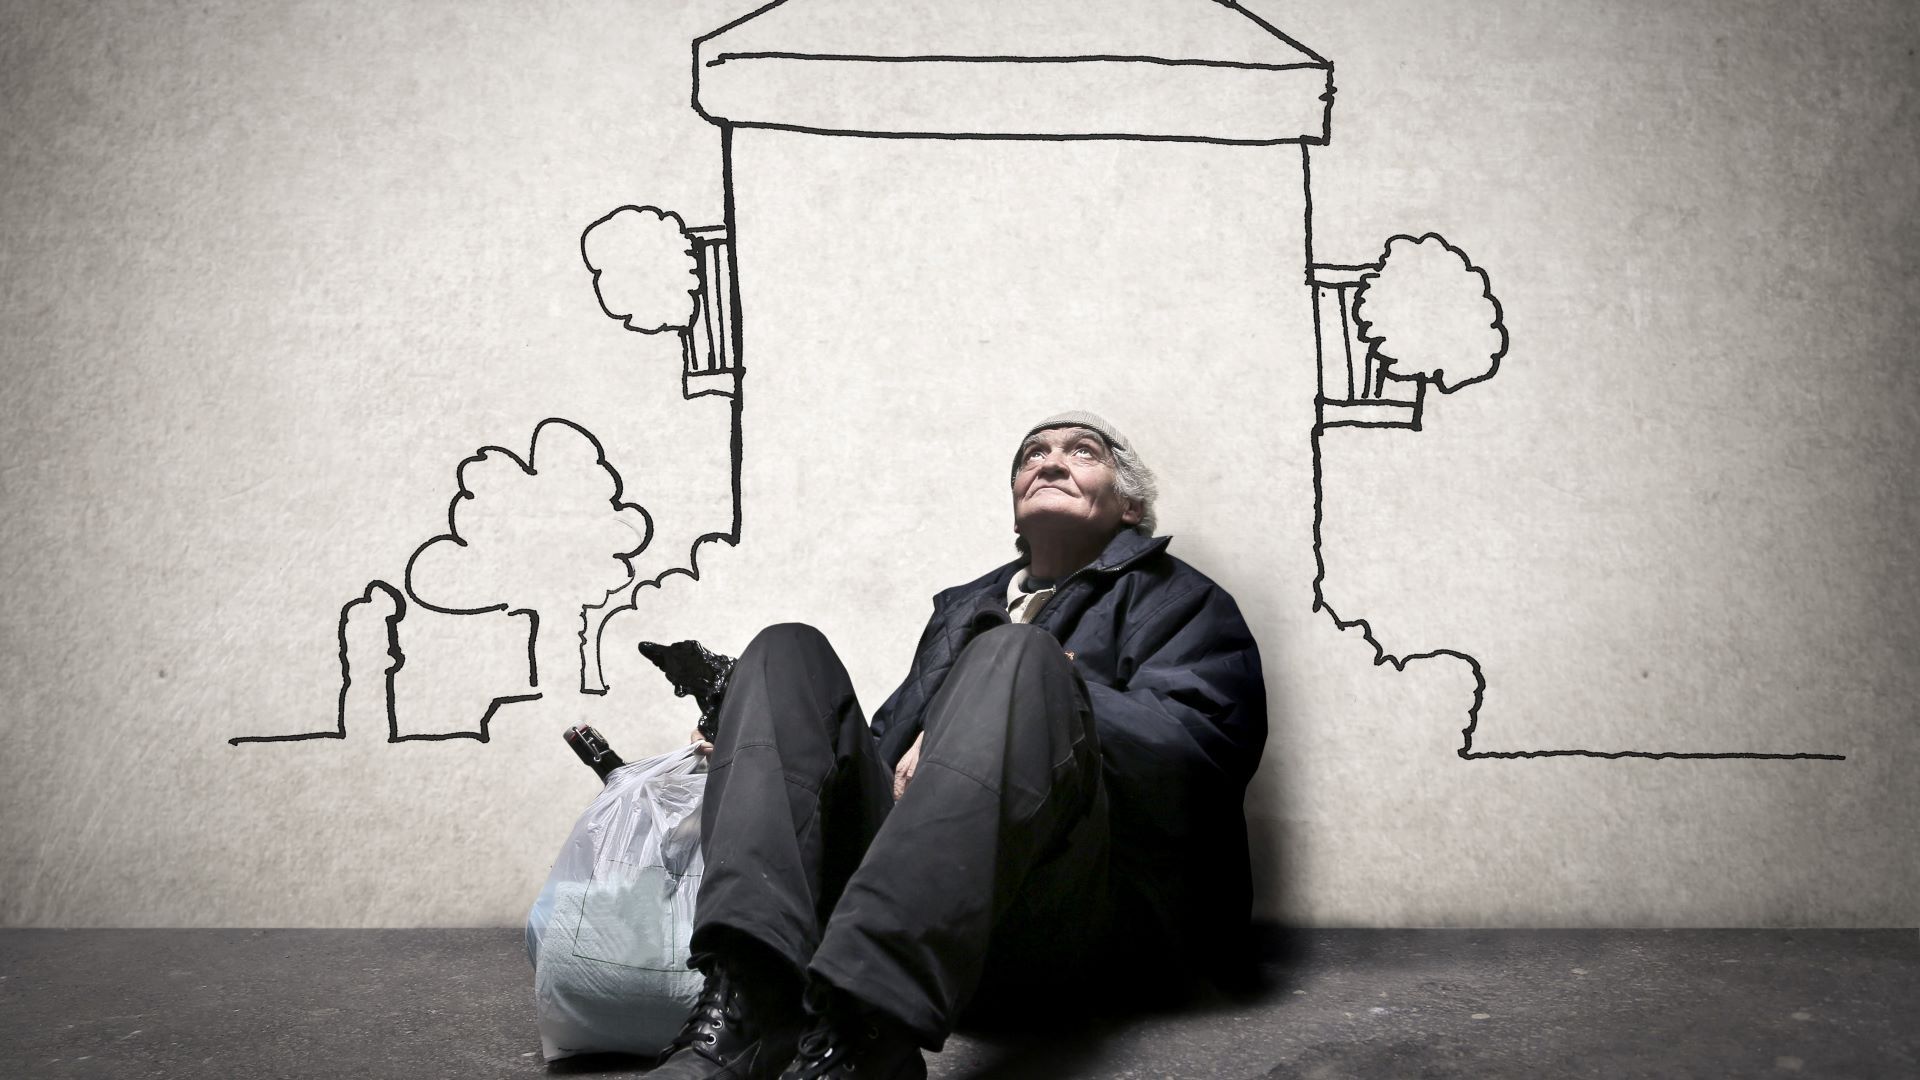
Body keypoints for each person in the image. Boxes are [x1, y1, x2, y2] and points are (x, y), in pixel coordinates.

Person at [653, 412, 1268, 1080]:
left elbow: (1201, 755)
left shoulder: (1182, 601)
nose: (1051, 461)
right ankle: (755, 1003)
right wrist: (760, 742)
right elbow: (884, 752)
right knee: (779, 654)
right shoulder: (963, 610)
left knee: (1018, 655)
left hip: (1068, 912)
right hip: (927, 903)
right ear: (1015, 507)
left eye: (1081, 451)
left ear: (1130, 506)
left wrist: (1055, 690)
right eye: (1033, 453)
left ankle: (865, 1028)